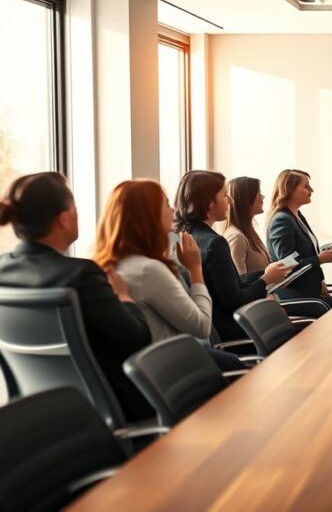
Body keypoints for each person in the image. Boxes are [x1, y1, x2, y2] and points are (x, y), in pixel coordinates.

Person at [0, 172, 153, 420]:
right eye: (75, 207)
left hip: (42, 413)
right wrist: (124, 297)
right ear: (63, 219)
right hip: (116, 410)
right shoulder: (81, 275)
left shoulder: (2, 270)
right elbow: (138, 339)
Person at [174, 170, 291, 341]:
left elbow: (227, 285)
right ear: (209, 203)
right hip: (233, 332)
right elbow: (235, 301)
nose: (229, 201)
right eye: (224, 195)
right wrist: (265, 280)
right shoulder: (215, 244)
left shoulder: (181, 236)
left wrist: (265, 275)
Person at [93, 180, 212, 343]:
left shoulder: (109, 266)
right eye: (166, 204)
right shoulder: (148, 270)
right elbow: (202, 327)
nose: (173, 210)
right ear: (149, 215)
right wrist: (195, 268)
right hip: (179, 363)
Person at [266, 169, 332, 309]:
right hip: (296, 296)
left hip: (311, 292)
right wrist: (320, 259)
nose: (311, 190)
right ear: (289, 190)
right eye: (306, 186)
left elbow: (307, 254)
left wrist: (320, 281)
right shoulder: (281, 221)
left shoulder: (297, 216)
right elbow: (287, 265)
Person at [223, 176, 270, 274]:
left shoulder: (249, 231)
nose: (262, 197)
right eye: (258, 194)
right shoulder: (236, 237)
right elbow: (241, 282)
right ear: (246, 199)